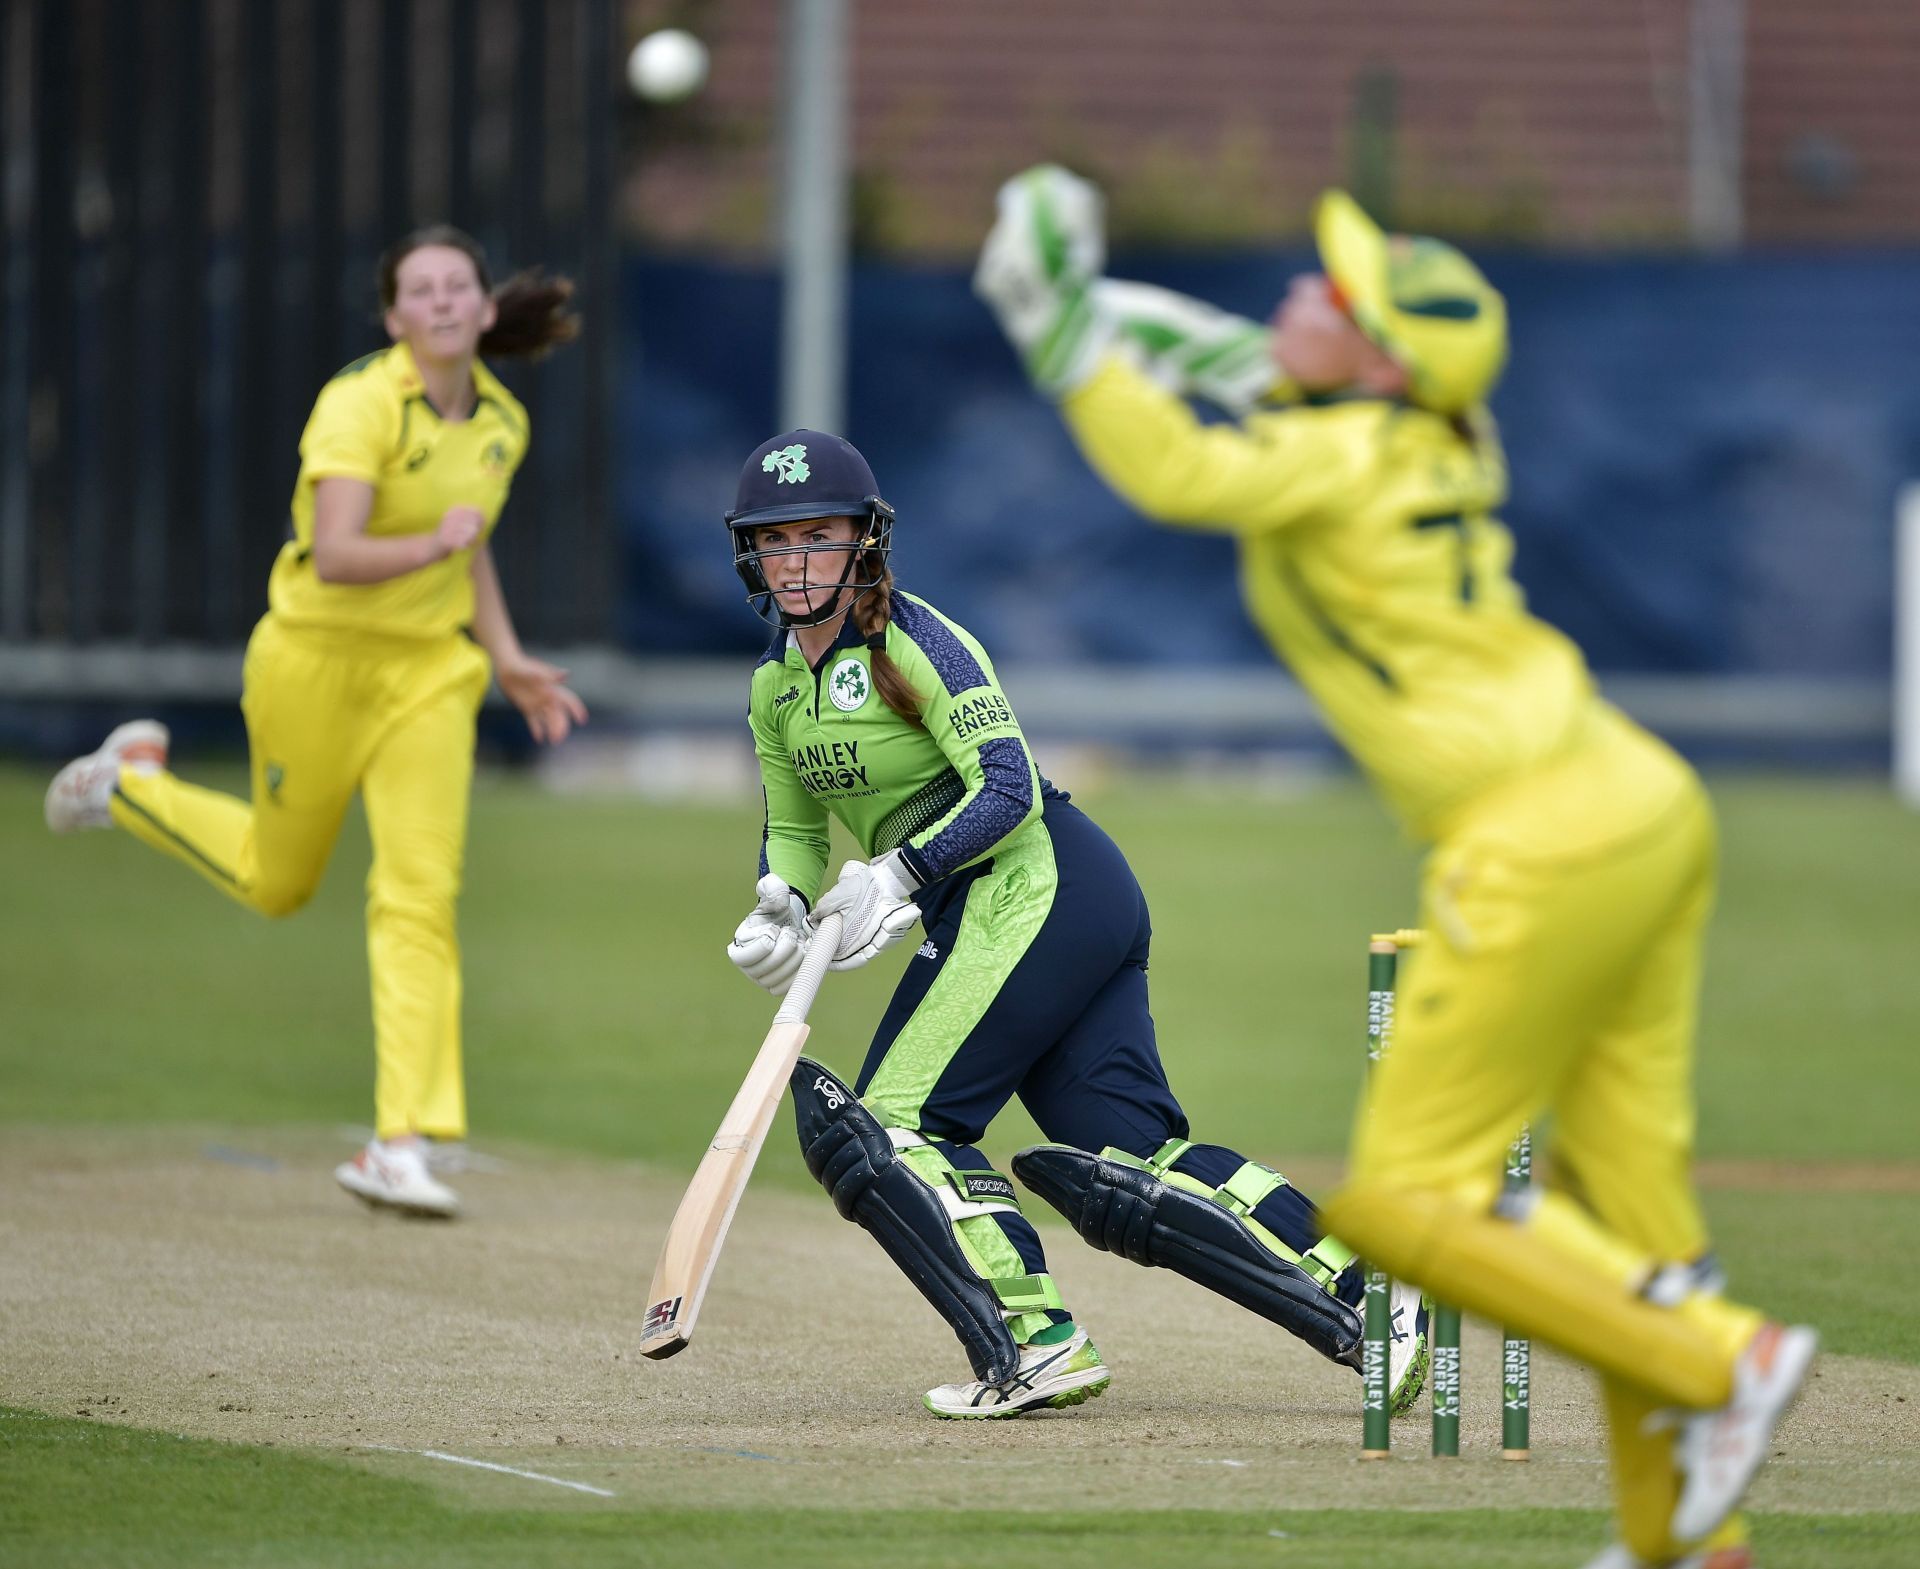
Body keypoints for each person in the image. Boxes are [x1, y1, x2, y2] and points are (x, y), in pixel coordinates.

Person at [975, 166, 1815, 1565]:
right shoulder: (1434, 430)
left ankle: (1723, 1362)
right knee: (1635, 1220)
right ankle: (1688, 1543)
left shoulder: (1339, 457)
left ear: (1376, 356)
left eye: (1334, 292)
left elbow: (1183, 466)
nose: (1300, 288)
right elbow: (1244, 360)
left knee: (1406, 1213)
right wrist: (1085, 305)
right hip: (1642, 798)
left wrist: (1062, 332)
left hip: (1535, 831)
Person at [721, 428, 1427, 1419]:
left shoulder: (915, 640)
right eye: (776, 538)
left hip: (1036, 885)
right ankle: (1376, 1297)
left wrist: (901, 874)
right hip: (1023, 903)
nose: (796, 561)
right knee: (1130, 1160)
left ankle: (1034, 1341)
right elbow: (792, 824)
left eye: (818, 536)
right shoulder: (775, 688)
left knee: (895, 1128)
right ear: (748, 552)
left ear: (864, 542)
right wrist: (781, 901)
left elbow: (1006, 786)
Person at [44, 226, 587, 1220]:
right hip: (314, 662)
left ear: (482, 305)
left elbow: (471, 554)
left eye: (456, 285)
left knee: (420, 892)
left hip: (429, 676)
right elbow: (335, 552)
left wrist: (504, 654)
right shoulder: (361, 402)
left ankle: (401, 1138)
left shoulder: (500, 421)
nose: (439, 301)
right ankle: (130, 786)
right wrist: (435, 538)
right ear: (393, 318)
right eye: (418, 290)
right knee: (277, 881)